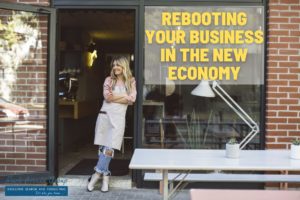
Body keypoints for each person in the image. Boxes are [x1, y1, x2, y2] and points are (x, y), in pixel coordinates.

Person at [87, 56, 136, 192]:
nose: (115, 67)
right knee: (103, 147)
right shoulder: (109, 80)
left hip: (118, 119)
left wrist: (122, 98)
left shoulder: (131, 81)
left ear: (124, 66)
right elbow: (107, 97)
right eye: (114, 65)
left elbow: (132, 99)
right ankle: (106, 177)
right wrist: (124, 97)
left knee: (110, 148)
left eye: (118, 65)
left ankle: (96, 174)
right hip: (105, 116)